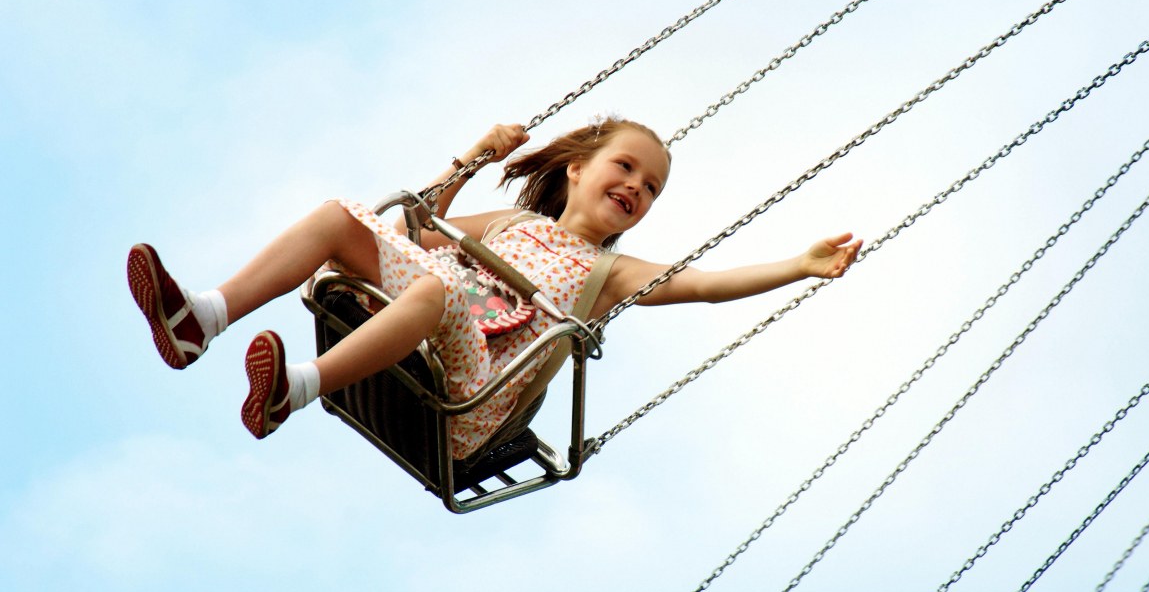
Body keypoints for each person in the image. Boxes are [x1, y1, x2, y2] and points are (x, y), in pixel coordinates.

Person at [127, 118, 863, 460]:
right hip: (430, 326)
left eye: (651, 188)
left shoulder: (608, 274)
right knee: (338, 218)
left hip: (472, 397)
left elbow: (701, 285)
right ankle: (202, 319)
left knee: (437, 292)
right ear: (578, 168)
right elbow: (414, 230)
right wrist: (472, 159)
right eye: (627, 168)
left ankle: (294, 389)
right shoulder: (514, 224)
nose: (637, 188)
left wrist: (797, 266)